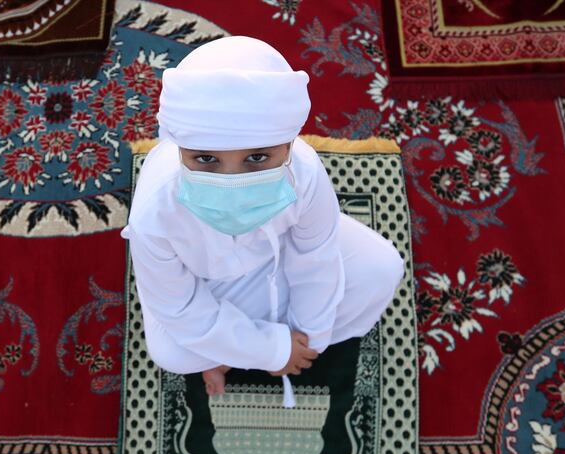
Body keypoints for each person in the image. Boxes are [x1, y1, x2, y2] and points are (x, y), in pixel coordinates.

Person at [119, 36, 404, 407]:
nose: (231, 181)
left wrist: (306, 338)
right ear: (178, 146)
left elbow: (316, 251)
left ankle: (245, 347)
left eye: (256, 157)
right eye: (205, 159)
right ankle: (226, 353)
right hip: (205, 283)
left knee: (382, 268)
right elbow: (179, 307)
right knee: (172, 353)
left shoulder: (303, 171)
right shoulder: (154, 211)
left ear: (289, 145)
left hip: (281, 254)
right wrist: (271, 350)